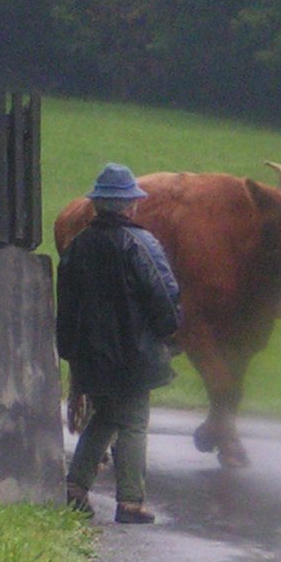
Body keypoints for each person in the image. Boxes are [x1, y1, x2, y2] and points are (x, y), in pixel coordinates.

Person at [57, 163, 181, 524]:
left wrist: (69, 350)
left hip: (90, 355)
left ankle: (75, 487)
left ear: (97, 204)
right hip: (133, 355)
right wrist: (168, 330)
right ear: (130, 205)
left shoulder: (78, 247)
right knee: (134, 422)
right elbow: (164, 294)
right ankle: (130, 502)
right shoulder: (142, 244)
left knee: (106, 416)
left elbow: (66, 304)